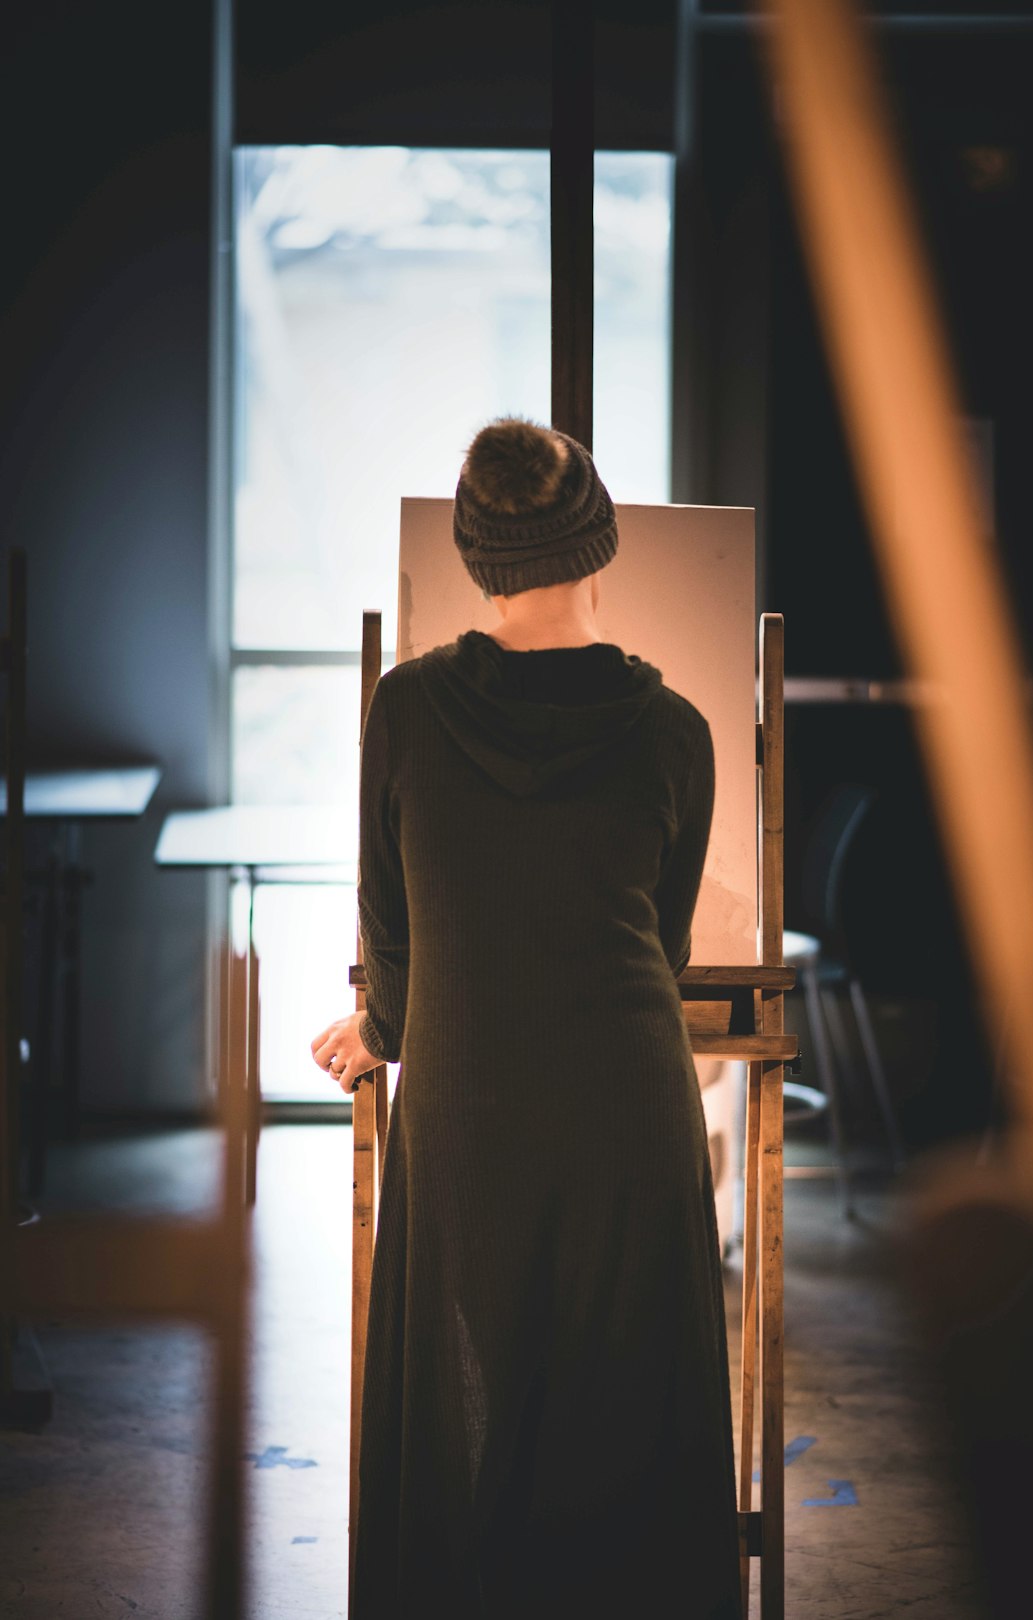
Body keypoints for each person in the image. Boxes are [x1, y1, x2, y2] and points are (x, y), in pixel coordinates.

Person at [310, 417, 741, 1617]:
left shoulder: (402, 714)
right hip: (628, 1114)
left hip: (467, 1108)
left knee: (466, 1413)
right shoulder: (675, 734)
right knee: (622, 1409)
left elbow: (388, 928)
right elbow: (663, 941)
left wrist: (383, 1028)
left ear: (473, 559)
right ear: (597, 544)